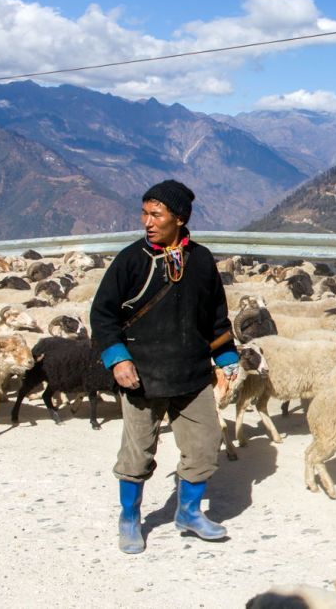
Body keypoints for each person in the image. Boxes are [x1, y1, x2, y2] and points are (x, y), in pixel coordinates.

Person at [90, 179, 239, 554]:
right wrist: (117, 358)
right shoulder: (131, 260)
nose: (147, 221)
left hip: (191, 373)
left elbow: (215, 316)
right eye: (145, 213)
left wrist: (225, 357)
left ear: (179, 218)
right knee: (138, 453)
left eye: (156, 214)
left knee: (205, 445)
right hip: (142, 374)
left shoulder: (202, 260)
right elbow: (103, 314)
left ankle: (188, 512)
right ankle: (129, 519)